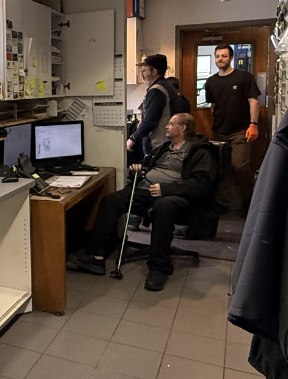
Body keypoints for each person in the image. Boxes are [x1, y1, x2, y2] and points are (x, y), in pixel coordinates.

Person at [70, 113, 219, 291]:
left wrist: (165, 189)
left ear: (183, 128)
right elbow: (150, 166)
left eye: (171, 123)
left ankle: (158, 267)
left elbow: (201, 185)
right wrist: (141, 169)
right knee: (112, 200)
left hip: (178, 196)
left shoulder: (200, 151)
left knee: (163, 208)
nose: (166, 126)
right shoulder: (165, 147)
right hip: (147, 190)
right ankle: (96, 256)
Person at [204, 44, 261, 209]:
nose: (220, 59)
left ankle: (249, 206)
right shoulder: (211, 82)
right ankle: (222, 205)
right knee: (220, 169)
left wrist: (253, 124)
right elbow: (213, 106)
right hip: (219, 131)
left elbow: (253, 101)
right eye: (217, 56)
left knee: (239, 167)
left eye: (224, 56)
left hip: (241, 130)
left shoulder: (244, 77)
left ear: (231, 57)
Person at [127, 55, 188, 162]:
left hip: (158, 144)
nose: (142, 74)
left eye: (144, 71)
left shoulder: (157, 90)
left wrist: (132, 139)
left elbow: (150, 120)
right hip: (168, 142)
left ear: (154, 71)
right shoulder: (167, 85)